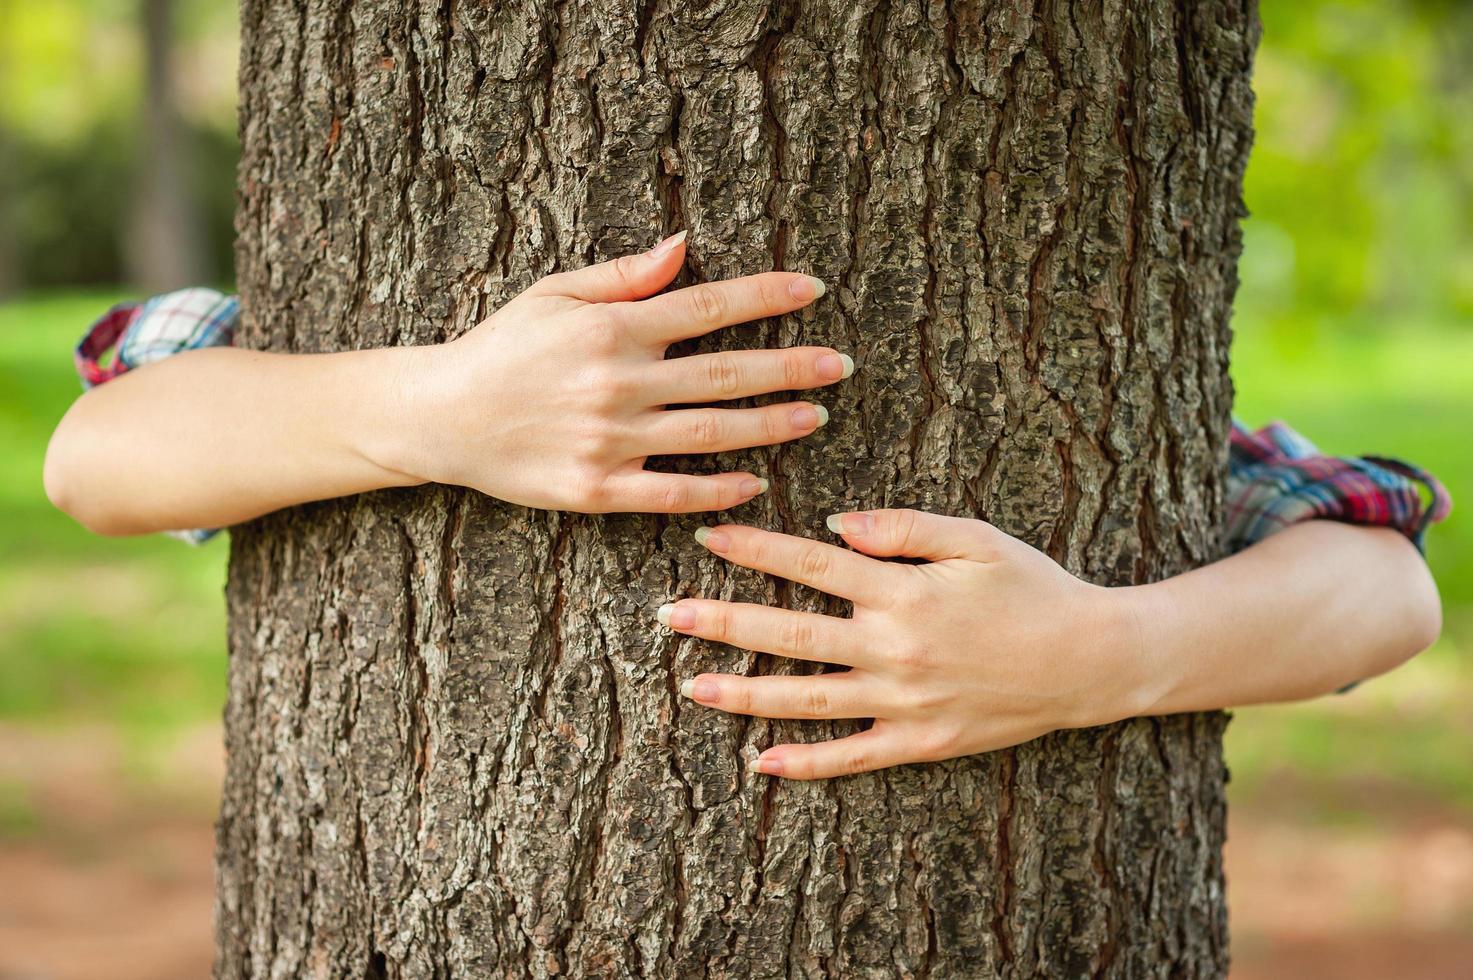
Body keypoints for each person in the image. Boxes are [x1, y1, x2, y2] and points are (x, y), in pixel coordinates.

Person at [44, 232, 1449, 780]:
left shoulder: (1105, 417)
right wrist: (437, 410)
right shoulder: (317, 336)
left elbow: (1385, 588)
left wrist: (1100, 655)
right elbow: (98, 454)